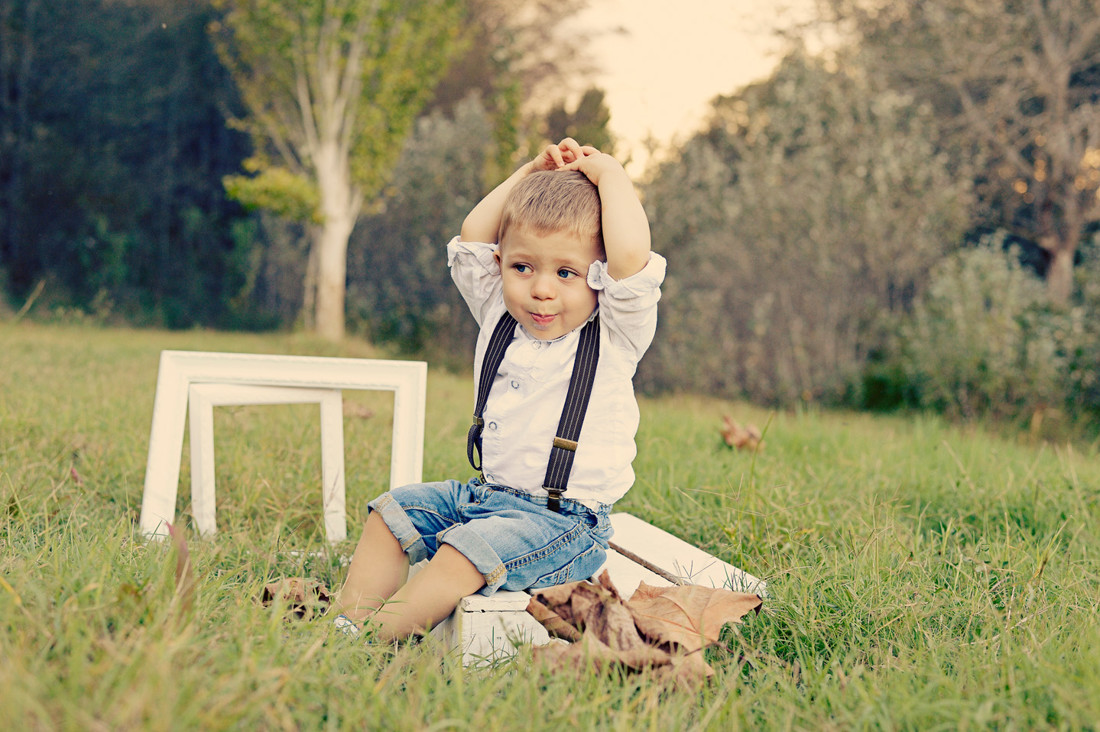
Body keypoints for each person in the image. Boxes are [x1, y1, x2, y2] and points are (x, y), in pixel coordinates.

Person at [330, 138, 666, 641]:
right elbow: (473, 235)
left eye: (566, 272)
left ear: (598, 277)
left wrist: (611, 174)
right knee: (391, 513)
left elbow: (631, 257)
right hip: (485, 498)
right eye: (522, 266)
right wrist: (530, 172)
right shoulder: (498, 312)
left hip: (564, 524)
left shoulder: (615, 332)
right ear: (503, 263)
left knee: (464, 552)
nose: (541, 289)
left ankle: (369, 643)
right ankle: (346, 627)